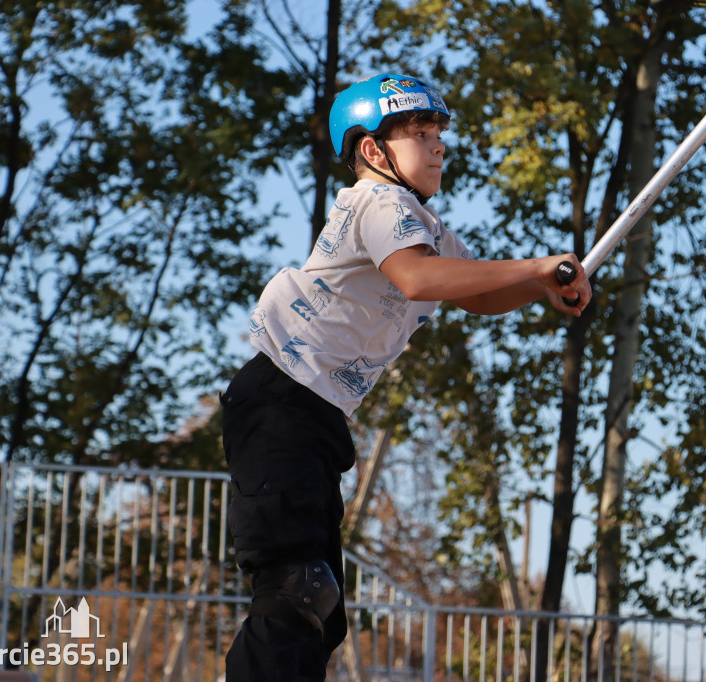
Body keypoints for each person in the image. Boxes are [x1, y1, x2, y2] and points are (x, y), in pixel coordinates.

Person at [220, 73, 590, 681]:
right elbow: (421, 281)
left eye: (440, 133)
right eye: (421, 133)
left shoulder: (424, 225)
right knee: (295, 591)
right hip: (278, 402)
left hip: (310, 415)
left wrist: (541, 288)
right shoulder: (379, 203)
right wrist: (537, 264)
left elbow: (474, 294)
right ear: (374, 150)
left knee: (320, 606)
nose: (440, 145)